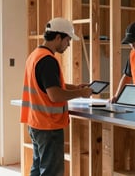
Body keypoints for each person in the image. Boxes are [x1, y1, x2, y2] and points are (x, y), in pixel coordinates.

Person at [20, 17, 93, 176]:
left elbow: (49, 86)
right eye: (67, 40)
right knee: (51, 171)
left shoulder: (35, 55)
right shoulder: (48, 60)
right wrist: (80, 93)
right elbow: (54, 95)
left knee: (38, 168)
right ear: (58, 37)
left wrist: (75, 87)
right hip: (48, 125)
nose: (68, 45)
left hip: (35, 122)